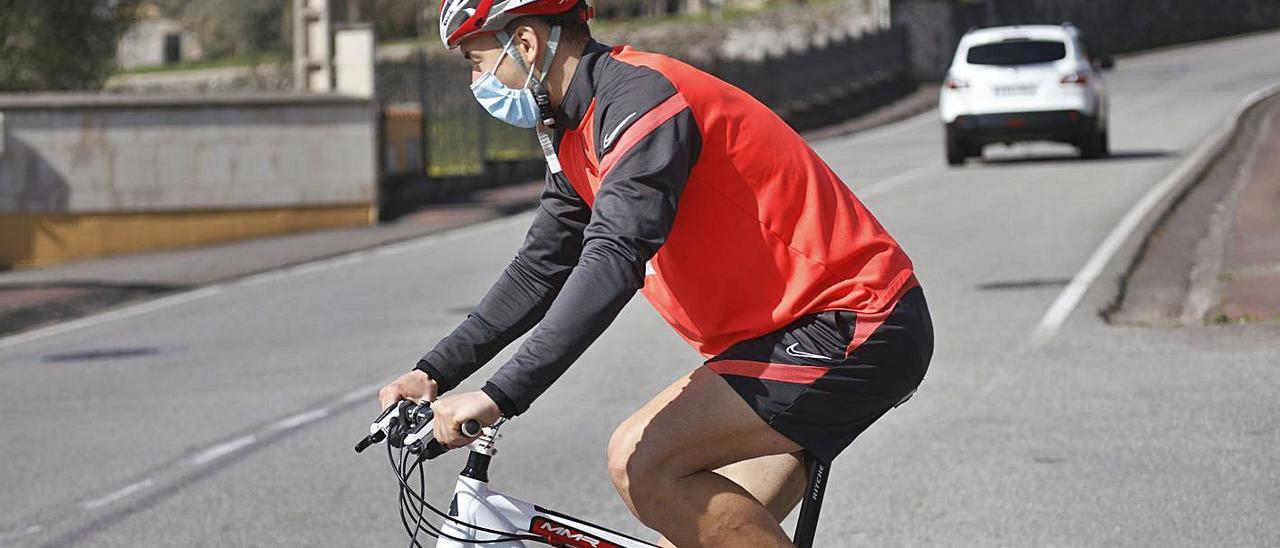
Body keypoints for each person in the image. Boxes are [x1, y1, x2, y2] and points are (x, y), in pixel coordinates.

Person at [377, 0, 934, 545]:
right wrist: (434, 371)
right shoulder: (576, 136)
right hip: (780, 340)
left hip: (853, 322)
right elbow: (538, 270)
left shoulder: (642, 100)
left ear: (523, 43)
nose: (476, 82)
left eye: (477, 62)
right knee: (691, 531)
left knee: (643, 460)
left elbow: (614, 256)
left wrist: (499, 394)